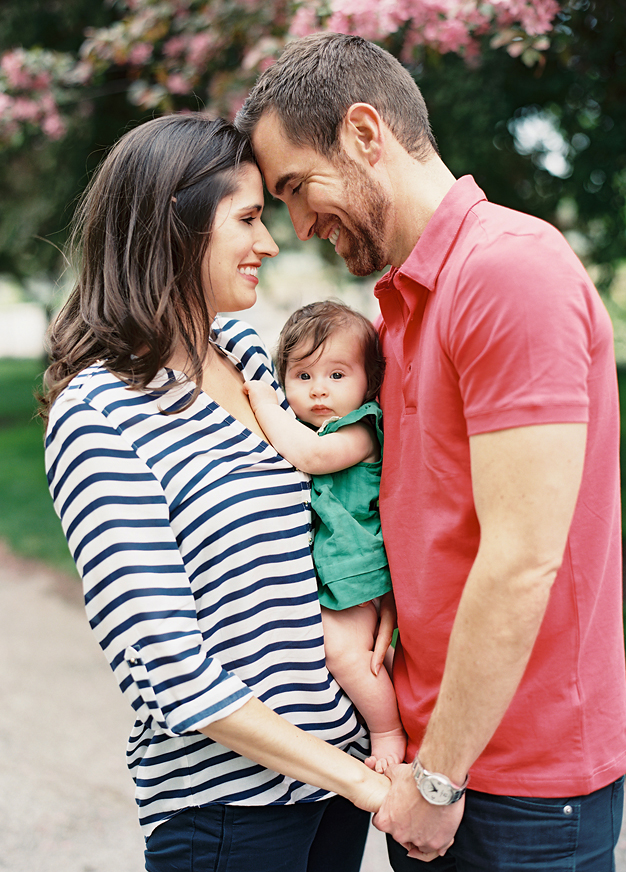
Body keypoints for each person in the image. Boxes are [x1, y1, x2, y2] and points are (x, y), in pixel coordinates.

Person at [235, 31, 626, 870]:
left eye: (297, 188)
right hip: (434, 764)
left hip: (515, 788)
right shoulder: (399, 311)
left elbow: (524, 559)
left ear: (365, 133)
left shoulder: (507, 273)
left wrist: (442, 780)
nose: (300, 225)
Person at [41, 113, 390, 872]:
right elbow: (173, 674)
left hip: (331, 793)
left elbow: (335, 519)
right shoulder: (98, 415)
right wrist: (367, 784)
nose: (269, 242)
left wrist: (379, 613)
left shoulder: (251, 363)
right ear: (178, 226)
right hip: (230, 815)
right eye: (248, 218)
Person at [244, 299, 406, 773]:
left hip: (353, 566)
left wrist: (264, 404)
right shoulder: (312, 425)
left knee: (344, 653)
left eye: (337, 375)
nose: (319, 390)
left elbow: (311, 458)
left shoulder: (362, 429)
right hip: (335, 566)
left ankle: (387, 731)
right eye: (304, 376)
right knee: (367, 652)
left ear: (368, 381)